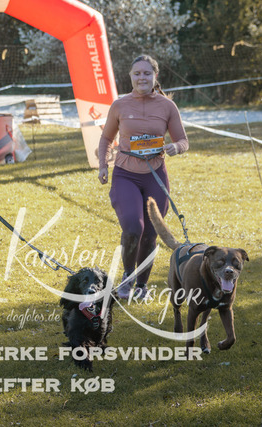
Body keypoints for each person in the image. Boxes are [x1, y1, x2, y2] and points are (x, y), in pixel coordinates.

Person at [98, 54, 189, 300]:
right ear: (130, 76)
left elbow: (183, 140)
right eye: (137, 73)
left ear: (155, 76)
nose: (142, 78)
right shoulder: (120, 105)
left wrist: (175, 147)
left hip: (155, 176)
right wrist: (103, 165)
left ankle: (141, 286)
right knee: (132, 228)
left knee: (150, 233)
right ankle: (127, 279)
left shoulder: (167, 106)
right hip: (125, 175)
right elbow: (106, 138)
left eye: (147, 73)